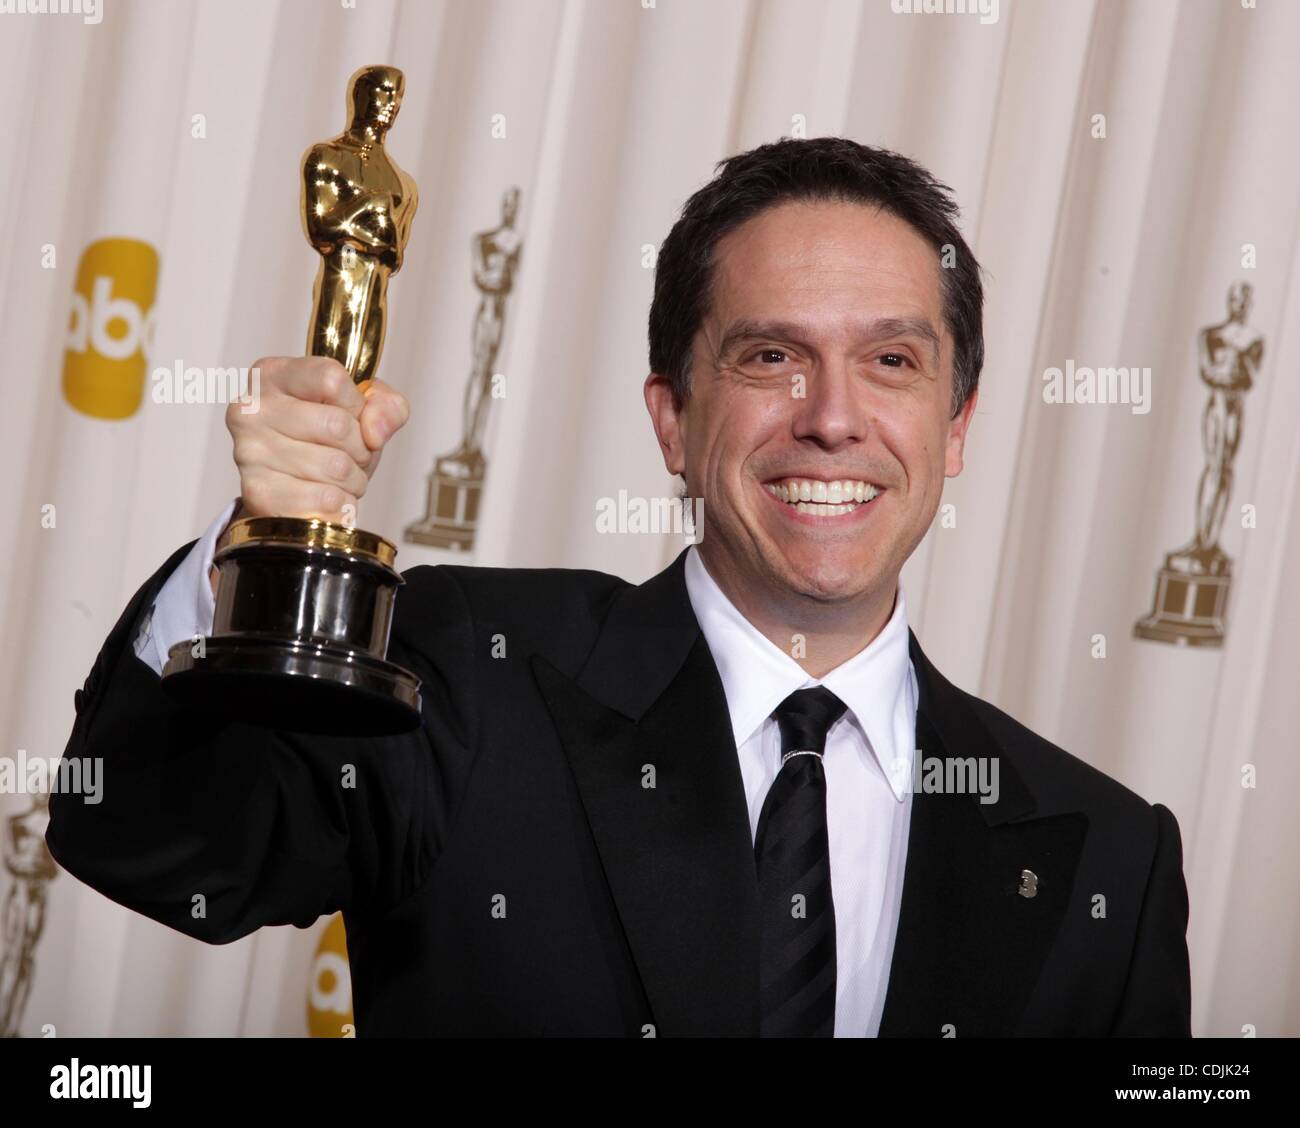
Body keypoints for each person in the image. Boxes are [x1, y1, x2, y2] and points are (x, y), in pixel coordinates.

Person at [46, 137, 1191, 1037]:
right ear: (673, 423)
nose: (831, 417)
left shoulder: (1108, 854)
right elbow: (152, 844)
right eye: (769, 357)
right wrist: (263, 545)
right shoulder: (465, 673)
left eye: (891, 362)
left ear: (954, 428)